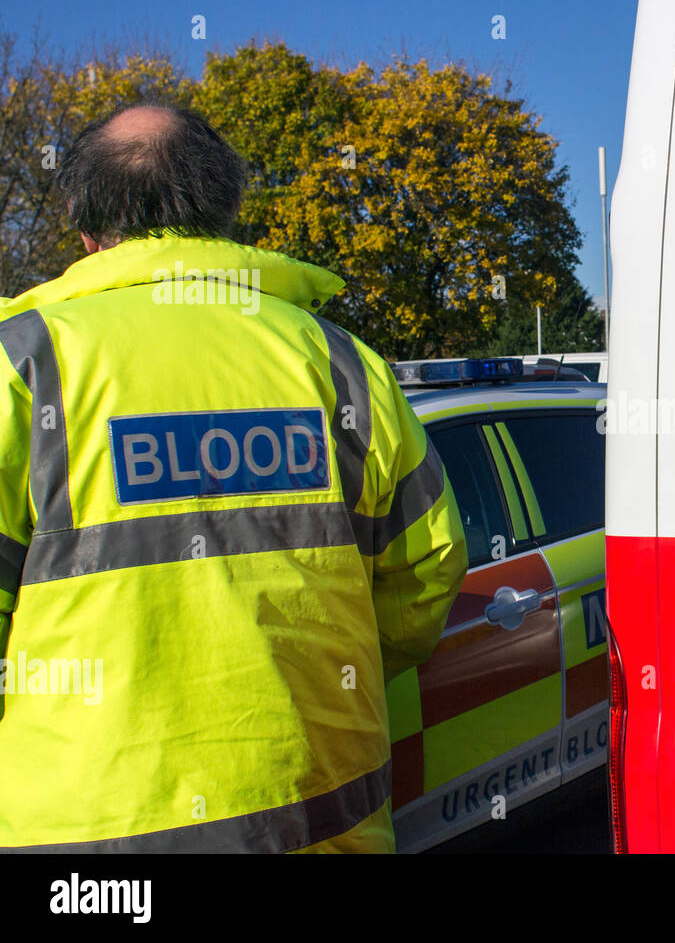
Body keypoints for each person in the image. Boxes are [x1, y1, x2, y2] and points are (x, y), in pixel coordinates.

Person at [0, 100, 468, 852]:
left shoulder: (22, 368)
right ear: (224, 214)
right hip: (320, 823)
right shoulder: (342, 365)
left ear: (87, 234)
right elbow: (427, 572)